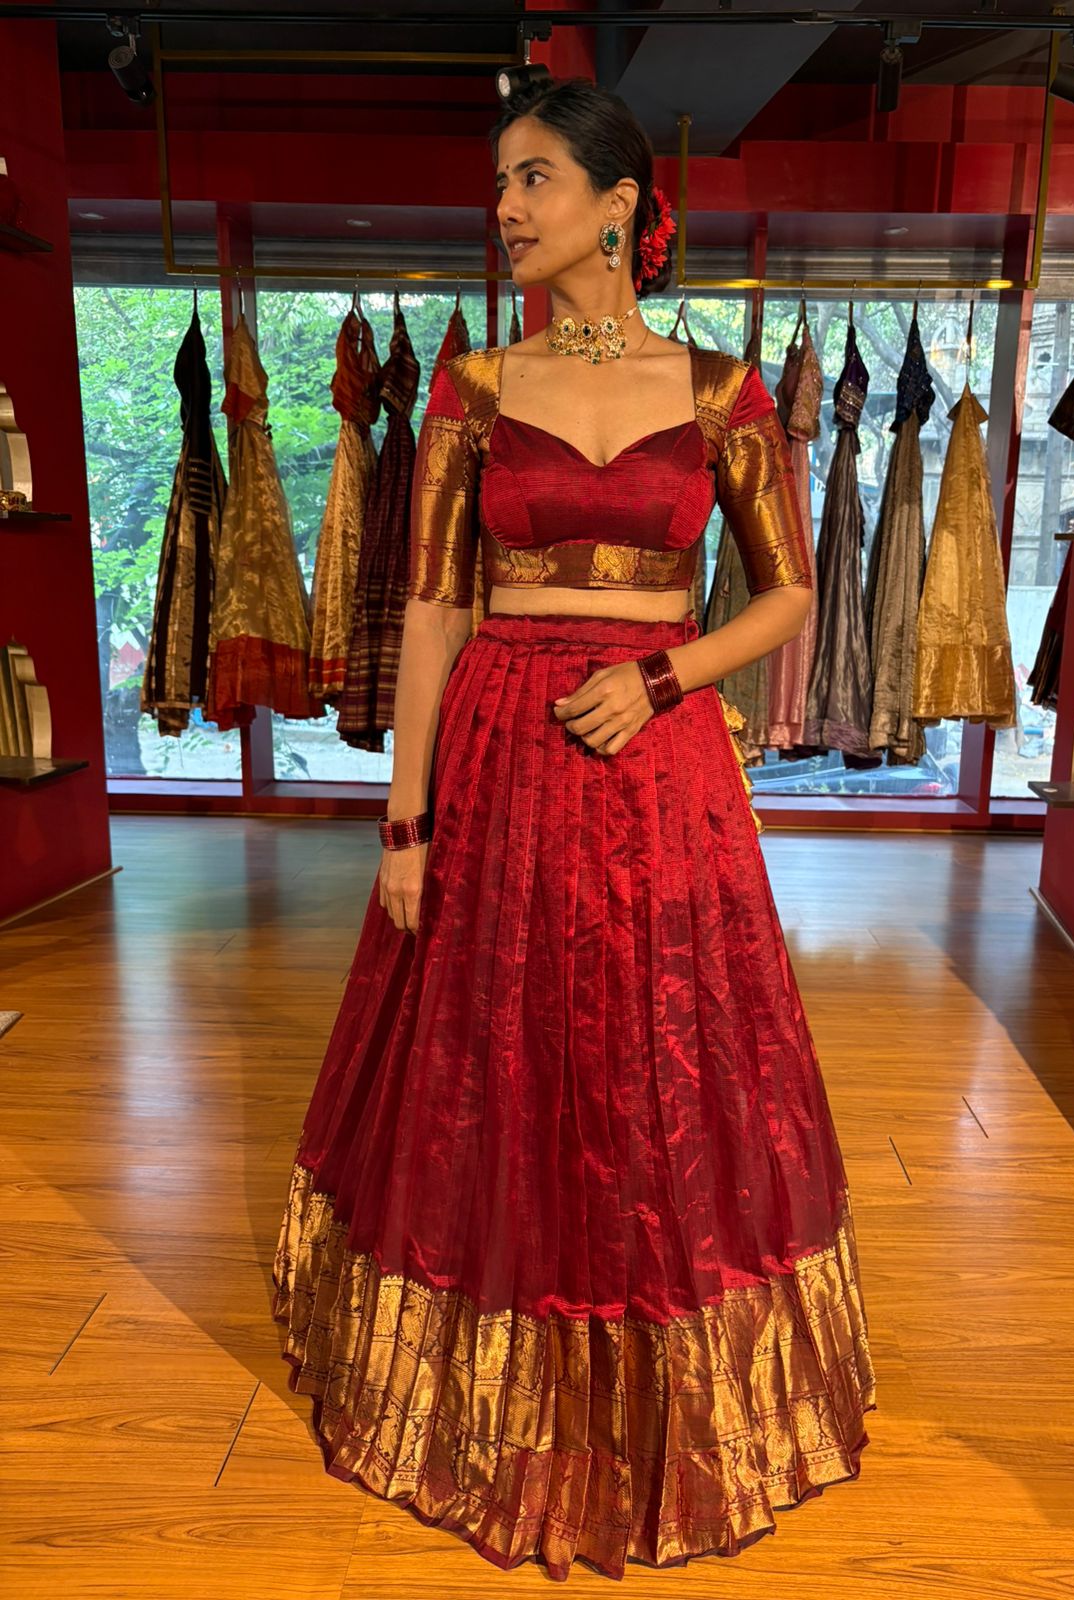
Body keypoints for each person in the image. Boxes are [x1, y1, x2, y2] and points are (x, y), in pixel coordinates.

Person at [271, 72, 877, 1583]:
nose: (504, 208)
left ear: (619, 203)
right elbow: (430, 611)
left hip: (658, 759)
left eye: (532, 177)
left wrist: (666, 675)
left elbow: (790, 594)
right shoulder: (473, 393)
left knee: (660, 1051)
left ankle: (654, 1375)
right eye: (501, 182)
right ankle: (493, 1383)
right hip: (498, 750)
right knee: (493, 1049)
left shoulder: (726, 394)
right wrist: (402, 822)